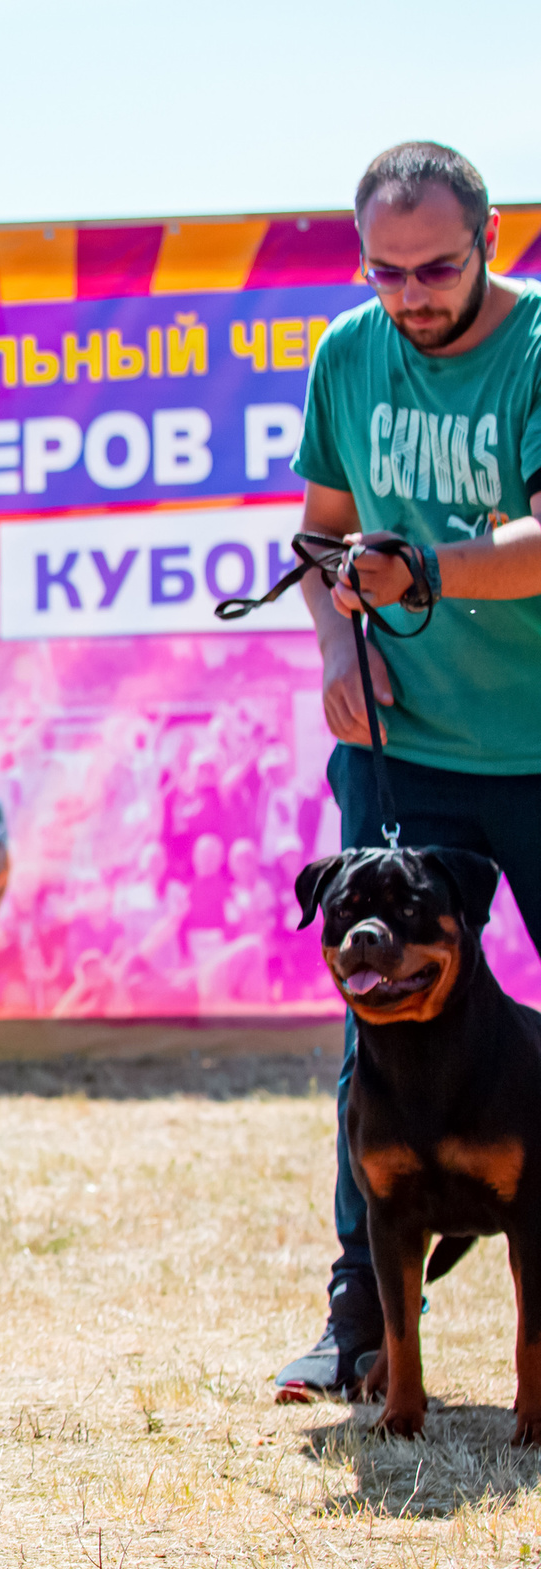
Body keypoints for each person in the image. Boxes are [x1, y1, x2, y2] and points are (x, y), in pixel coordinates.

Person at [270, 140, 541, 1402]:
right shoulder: (345, 353)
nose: (411, 294)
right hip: (403, 750)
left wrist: (423, 569)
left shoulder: (536, 343)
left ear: (491, 238)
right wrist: (339, 644)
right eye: (386, 272)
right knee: (370, 1016)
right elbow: (318, 538)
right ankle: (357, 1323)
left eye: (435, 268)